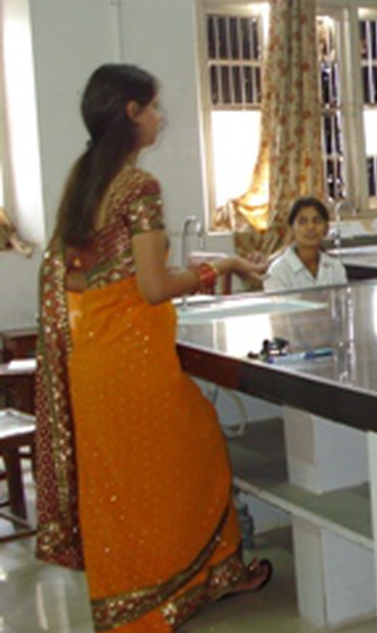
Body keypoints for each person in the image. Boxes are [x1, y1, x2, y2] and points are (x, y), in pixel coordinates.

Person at [34, 64, 272, 632]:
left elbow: (90, 277)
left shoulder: (85, 178)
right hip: (131, 359)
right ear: (131, 113)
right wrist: (221, 267)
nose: (162, 118)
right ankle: (201, 578)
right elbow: (152, 287)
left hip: (91, 356)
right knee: (200, 447)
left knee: (120, 484)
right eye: (154, 107)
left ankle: (148, 595)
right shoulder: (139, 186)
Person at [264, 197, 348, 292]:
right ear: (291, 229)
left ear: (326, 229)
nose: (310, 227)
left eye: (317, 221)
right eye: (302, 222)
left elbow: (342, 303)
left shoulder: (335, 267)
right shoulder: (278, 271)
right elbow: (278, 306)